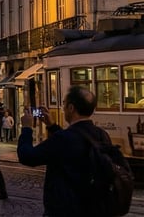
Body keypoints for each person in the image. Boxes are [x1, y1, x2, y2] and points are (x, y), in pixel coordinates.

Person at [17, 86, 112, 217]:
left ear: (71, 108)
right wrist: (52, 126)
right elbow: (74, 143)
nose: (63, 108)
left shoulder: (63, 139)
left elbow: (27, 156)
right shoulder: (102, 135)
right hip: (94, 208)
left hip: (65, 208)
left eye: (64, 104)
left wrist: (26, 128)